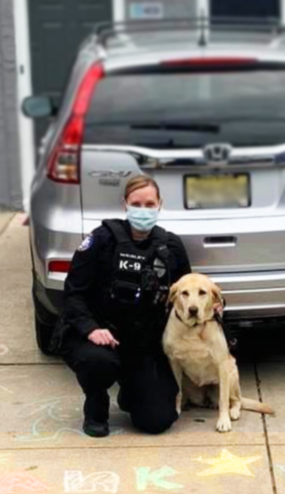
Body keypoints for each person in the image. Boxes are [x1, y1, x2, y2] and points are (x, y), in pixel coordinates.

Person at [59, 175, 191, 437]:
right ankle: (96, 408)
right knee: (97, 361)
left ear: (159, 205)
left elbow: (185, 294)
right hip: (101, 337)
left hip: (143, 343)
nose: (143, 210)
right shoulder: (101, 240)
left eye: (149, 204)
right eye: (136, 203)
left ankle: (131, 393)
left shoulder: (170, 246)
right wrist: (90, 329)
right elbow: (73, 293)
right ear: (125, 204)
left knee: (157, 420)